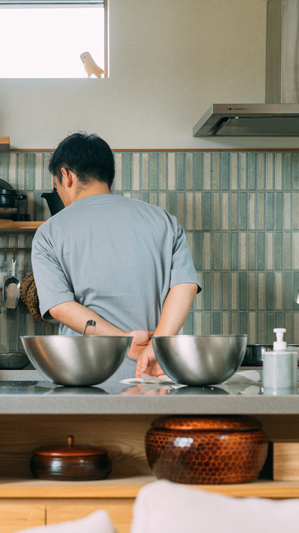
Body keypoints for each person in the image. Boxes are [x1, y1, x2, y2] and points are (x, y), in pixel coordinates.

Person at [31, 133, 201, 380]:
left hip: (83, 377)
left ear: (65, 176)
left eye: (56, 185)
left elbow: (60, 307)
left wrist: (123, 341)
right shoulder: (163, 221)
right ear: (108, 176)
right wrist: (157, 345)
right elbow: (185, 285)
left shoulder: (49, 232)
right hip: (151, 374)